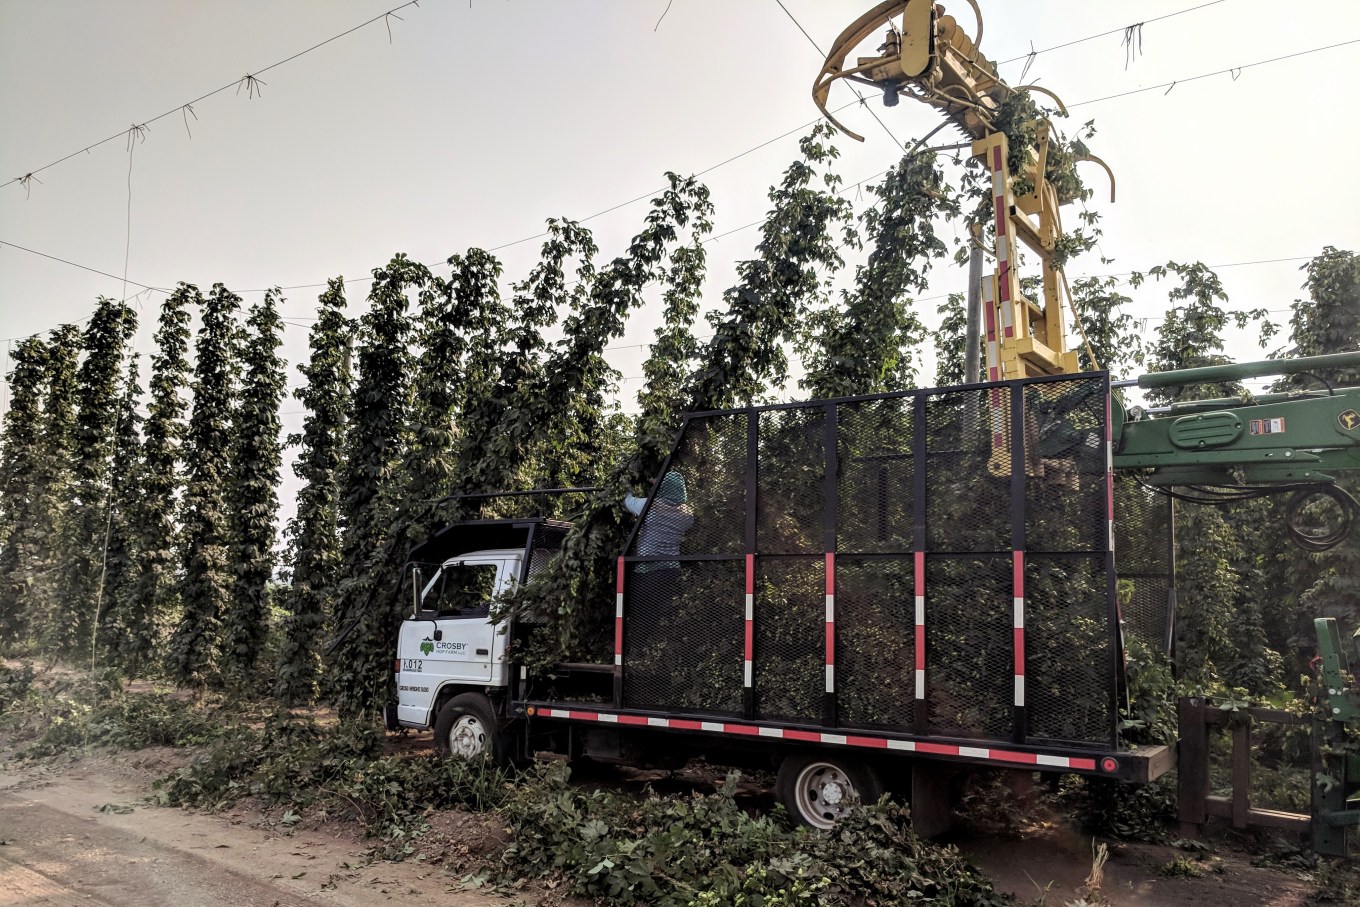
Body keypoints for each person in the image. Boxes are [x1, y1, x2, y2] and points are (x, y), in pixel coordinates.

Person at [623, 471, 694, 642]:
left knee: (642, 613)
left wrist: (626, 484)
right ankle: (655, 648)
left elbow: (627, 501)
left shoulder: (650, 506)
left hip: (648, 569)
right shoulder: (687, 515)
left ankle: (637, 648)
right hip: (671, 569)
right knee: (660, 614)